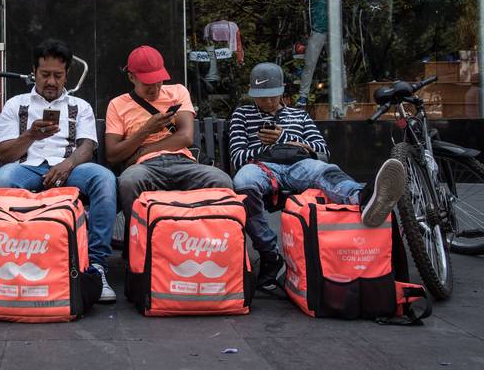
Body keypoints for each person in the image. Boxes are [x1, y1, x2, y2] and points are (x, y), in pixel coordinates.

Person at [230, 62, 407, 290]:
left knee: (324, 170)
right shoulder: (242, 115)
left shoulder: (299, 115)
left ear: (282, 90)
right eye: (262, 97)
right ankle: (269, 251)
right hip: (261, 166)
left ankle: (363, 198)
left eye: (272, 95)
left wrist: (285, 138)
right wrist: (269, 147)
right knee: (243, 182)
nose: (268, 101)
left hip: (299, 164)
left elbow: (322, 152)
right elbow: (237, 157)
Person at [0, 39, 117, 302]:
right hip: (27, 168)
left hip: (69, 167)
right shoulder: (16, 104)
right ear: (34, 72)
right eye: (45, 75)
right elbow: (4, 154)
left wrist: (67, 165)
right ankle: (8, 261)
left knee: (104, 178)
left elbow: (87, 147)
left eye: (58, 76)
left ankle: (96, 265)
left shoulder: (80, 107)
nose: (51, 82)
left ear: (66, 74)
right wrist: (30, 136)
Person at [106, 45, 233, 222]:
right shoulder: (117, 104)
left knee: (221, 180)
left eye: (159, 81)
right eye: (147, 84)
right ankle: (137, 239)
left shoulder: (178, 91)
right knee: (129, 181)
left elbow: (185, 137)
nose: (155, 88)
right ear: (131, 77)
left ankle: (211, 242)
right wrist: (146, 130)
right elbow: (112, 155)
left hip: (183, 160)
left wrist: (144, 150)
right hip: (144, 167)